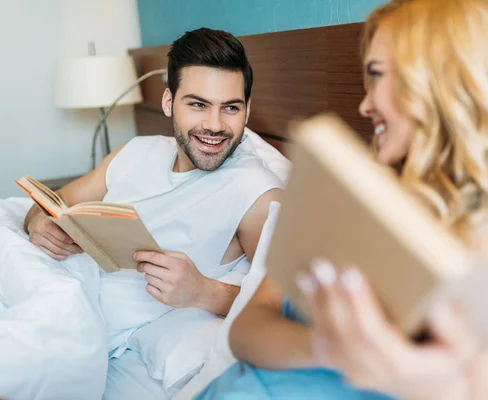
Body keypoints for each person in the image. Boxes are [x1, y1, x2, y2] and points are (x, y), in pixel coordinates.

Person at [194, 0, 488, 399]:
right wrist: (330, 347)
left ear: (440, 79)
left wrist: (416, 379)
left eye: (377, 75)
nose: (364, 104)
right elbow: (246, 332)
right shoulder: (350, 197)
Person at [1, 28, 283, 399]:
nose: (215, 125)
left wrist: (203, 292)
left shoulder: (256, 191)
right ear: (168, 102)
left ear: (246, 107)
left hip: (82, 318)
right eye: (198, 104)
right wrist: (39, 223)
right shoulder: (137, 151)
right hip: (53, 276)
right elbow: (54, 201)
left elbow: (285, 304)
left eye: (230, 107)